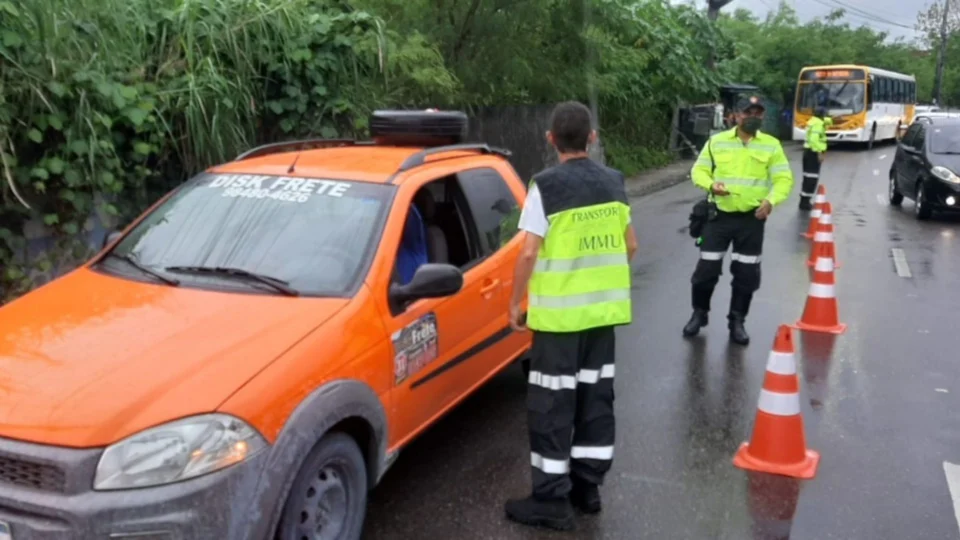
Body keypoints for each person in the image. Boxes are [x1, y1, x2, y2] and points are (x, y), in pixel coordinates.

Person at [505, 101, 638, 531]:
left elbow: (528, 251)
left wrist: (514, 303)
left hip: (559, 325)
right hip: (602, 319)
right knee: (594, 401)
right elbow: (630, 246)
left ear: (550, 140)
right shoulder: (614, 182)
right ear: (592, 139)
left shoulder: (546, 186)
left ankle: (550, 500)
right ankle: (588, 490)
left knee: (551, 405)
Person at [682, 95, 794, 345]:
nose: (753, 117)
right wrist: (711, 184)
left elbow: (783, 179)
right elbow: (698, 170)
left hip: (751, 220)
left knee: (746, 274)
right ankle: (699, 313)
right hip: (718, 217)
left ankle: (737, 321)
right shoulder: (717, 142)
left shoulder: (771, 145)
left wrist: (771, 201)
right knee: (705, 271)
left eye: (758, 113)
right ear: (735, 115)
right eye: (747, 113)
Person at [799, 107, 831, 210]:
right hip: (813, 153)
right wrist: (818, 152)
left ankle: (804, 200)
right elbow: (814, 140)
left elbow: (828, 124)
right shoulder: (818, 124)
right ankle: (805, 202)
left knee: (807, 178)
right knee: (811, 178)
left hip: (808, 152)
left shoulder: (813, 122)